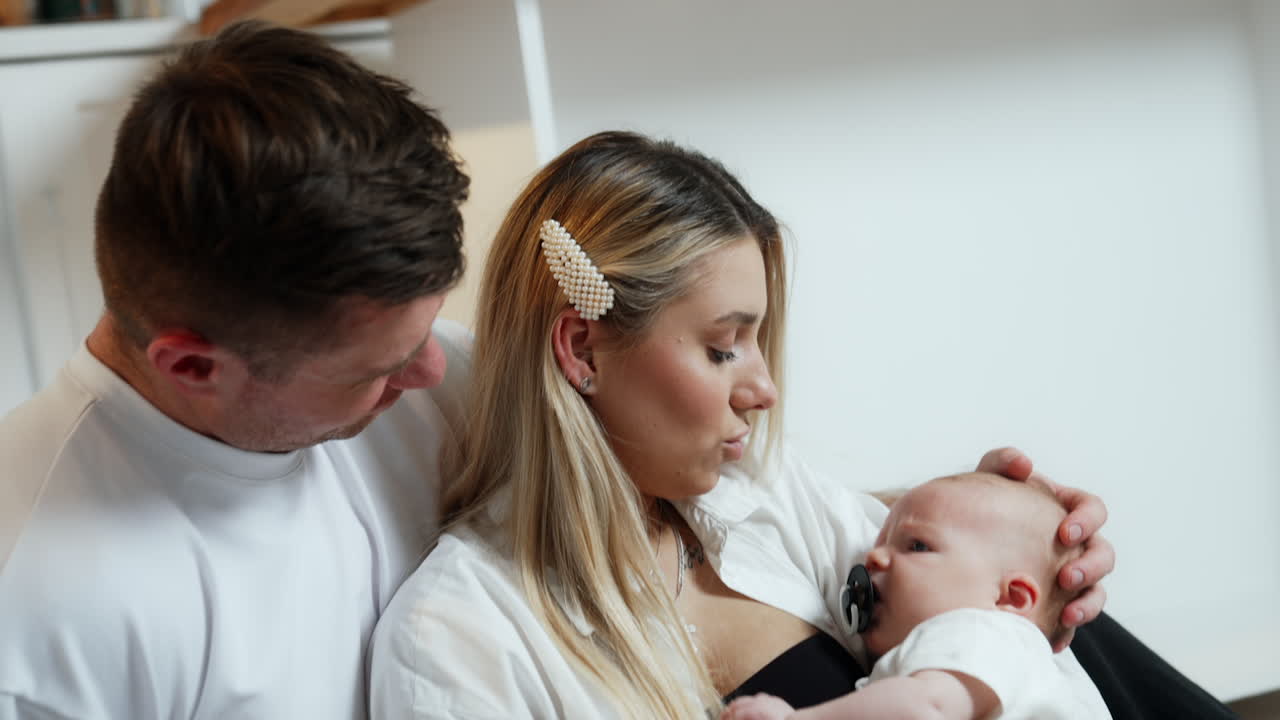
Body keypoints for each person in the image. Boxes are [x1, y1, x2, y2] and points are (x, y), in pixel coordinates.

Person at [367, 131, 1113, 719]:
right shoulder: (458, 641)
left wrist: (1037, 547)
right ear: (580, 346)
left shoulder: (766, 500)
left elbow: (997, 635)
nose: (764, 389)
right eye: (724, 348)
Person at [0, 21, 472, 719]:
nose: (433, 370)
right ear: (193, 365)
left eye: (428, 328)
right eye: (384, 365)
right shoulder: (40, 611)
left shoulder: (449, 388)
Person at [721, 472, 1111, 719]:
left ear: (1011, 598)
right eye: (882, 541)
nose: (872, 556)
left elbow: (921, 708)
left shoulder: (982, 631)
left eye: (918, 546)